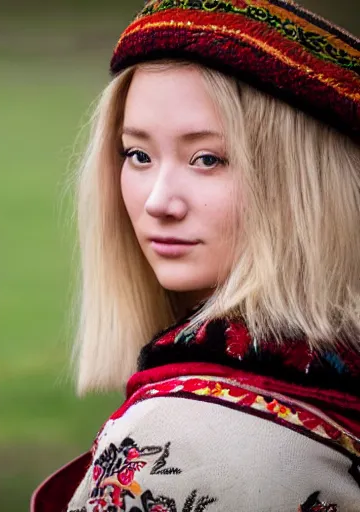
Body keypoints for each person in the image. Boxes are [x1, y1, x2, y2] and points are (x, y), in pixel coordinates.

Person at [31, 1, 360, 510]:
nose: (159, 201)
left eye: (207, 159)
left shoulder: (179, 439)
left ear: (305, 185)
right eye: (137, 155)